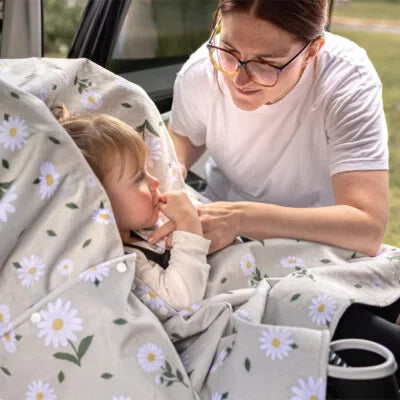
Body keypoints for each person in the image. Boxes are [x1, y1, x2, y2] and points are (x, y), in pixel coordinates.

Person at [154, 0, 389, 257]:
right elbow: (184, 137)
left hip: (316, 239)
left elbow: (368, 229)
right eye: (229, 50)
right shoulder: (202, 72)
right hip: (218, 222)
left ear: (312, 52)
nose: (239, 79)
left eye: (265, 63)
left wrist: (243, 219)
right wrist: (170, 167)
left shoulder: (346, 83)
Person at [52, 105, 211, 310]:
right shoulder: (123, 261)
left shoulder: (138, 229)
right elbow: (180, 299)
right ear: (100, 200)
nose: (155, 182)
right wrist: (189, 225)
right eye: (139, 178)